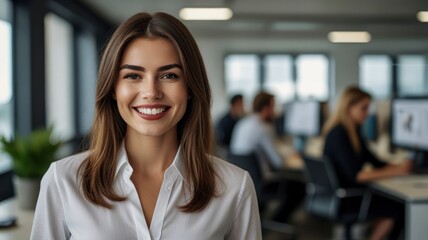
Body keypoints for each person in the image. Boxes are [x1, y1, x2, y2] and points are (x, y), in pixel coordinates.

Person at [30, 12, 261, 240]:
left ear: (190, 88)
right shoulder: (64, 180)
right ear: (112, 88)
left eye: (169, 76)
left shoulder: (234, 187)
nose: (151, 92)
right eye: (133, 76)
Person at [322, 86, 413, 240]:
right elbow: (357, 176)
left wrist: (398, 166)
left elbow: (375, 161)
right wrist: (395, 172)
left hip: (348, 195)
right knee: (397, 207)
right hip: (348, 198)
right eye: (363, 108)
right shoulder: (339, 134)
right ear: (349, 107)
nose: (368, 113)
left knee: (394, 202)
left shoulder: (353, 132)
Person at [229, 92, 305, 223]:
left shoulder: (242, 123)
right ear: (266, 109)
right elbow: (278, 163)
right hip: (261, 185)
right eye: (273, 107)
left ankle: (262, 216)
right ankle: (278, 221)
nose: (275, 111)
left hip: (241, 183)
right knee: (300, 186)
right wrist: (292, 156)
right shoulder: (262, 128)